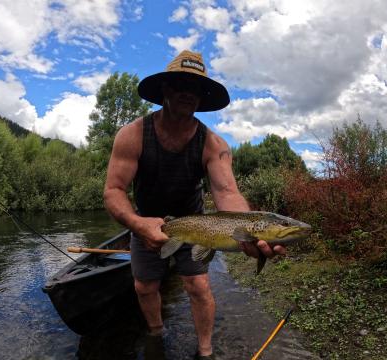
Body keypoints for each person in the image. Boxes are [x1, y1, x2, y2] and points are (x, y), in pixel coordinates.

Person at [103, 50, 286, 359]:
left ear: (203, 97)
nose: (189, 93)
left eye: (196, 88)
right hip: (144, 222)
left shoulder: (213, 144)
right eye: (181, 85)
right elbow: (113, 191)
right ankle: (157, 334)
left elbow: (227, 193)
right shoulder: (132, 134)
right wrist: (138, 224)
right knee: (145, 287)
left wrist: (252, 229)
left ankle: (205, 350)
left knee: (198, 285)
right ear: (166, 90)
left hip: (198, 224)